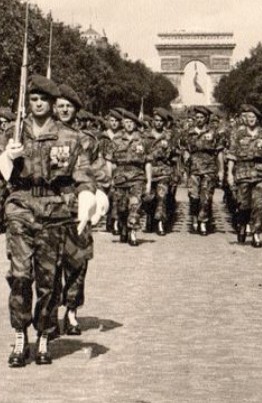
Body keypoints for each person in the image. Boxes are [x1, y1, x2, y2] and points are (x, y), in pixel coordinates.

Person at [0, 75, 96, 367]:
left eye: (43, 99)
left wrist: (87, 198)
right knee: (19, 276)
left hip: (54, 211)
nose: (37, 104)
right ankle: (19, 335)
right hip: (21, 207)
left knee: (47, 280)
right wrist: (7, 156)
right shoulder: (14, 132)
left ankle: (42, 336)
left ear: (53, 104)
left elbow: (83, 174)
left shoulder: (69, 137)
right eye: (33, 99)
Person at [53, 84, 109, 336]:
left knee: (77, 262)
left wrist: (96, 197)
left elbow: (100, 173)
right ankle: (51, 311)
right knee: (49, 264)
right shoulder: (45, 135)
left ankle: (72, 311)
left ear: (76, 110)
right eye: (60, 106)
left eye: (69, 106)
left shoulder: (88, 140)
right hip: (51, 207)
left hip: (78, 208)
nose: (64, 110)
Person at [225, 104, 262, 247]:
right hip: (243, 174)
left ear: (257, 119)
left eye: (253, 117)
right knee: (243, 205)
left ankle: (256, 234)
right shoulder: (238, 135)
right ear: (245, 119)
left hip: (260, 174)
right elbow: (232, 156)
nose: (251, 119)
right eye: (248, 117)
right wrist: (229, 174)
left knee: (259, 205)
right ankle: (242, 226)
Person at [105, 110, 151, 246]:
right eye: (126, 123)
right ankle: (123, 227)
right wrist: (109, 177)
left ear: (136, 124)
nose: (129, 125)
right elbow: (109, 160)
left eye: (131, 123)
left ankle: (133, 232)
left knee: (135, 205)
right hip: (120, 178)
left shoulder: (143, 140)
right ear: (123, 124)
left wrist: (148, 182)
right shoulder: (116, 140)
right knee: (121, 208)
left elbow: (148, 162)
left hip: (137, 177)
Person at [180, 106, 224, 235]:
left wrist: (221, 170)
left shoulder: (214, 133)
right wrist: (185, 157)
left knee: (206, 197)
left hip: (209, 169)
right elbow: (184, 149)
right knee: (194, 196)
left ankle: (203, 222)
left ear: (206, 119)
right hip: (193, 169)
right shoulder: (188, 133)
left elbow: (219, 152)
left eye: (201, 118)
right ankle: (194, 219)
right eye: (197, 117)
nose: (199, 120)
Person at [143, 108, 177, 236]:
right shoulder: (146, 135)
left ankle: (160, 223)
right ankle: (149, 217)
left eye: (160, 121)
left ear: (164, 123)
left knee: (162, 197)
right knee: (149, 198)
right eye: (156, 120)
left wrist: (175, 172)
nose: (158, 123)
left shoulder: (168, 136)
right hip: (149, 171)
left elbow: (174, 155)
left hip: (163, 171)